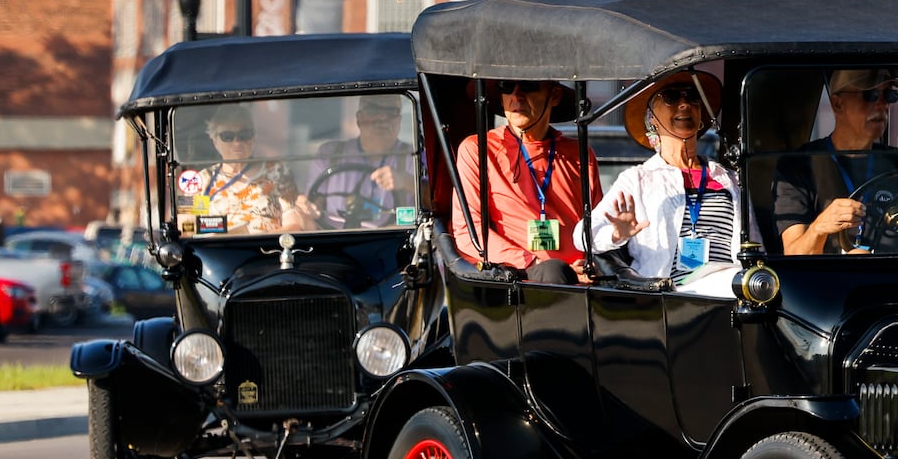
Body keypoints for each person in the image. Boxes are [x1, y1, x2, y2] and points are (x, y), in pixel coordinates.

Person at [771, 69, 898, 255]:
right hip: (835, 283)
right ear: (838, 104)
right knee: (857, 256)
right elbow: (793, 252)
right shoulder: (797, 164)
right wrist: (820, 227)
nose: (882, 105)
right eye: (871, 95)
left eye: (889, 96)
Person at [580, 69, 739, 295]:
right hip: (672, 294)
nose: (684, 104)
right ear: (652, 119)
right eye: (671, 97)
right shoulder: (637, 179)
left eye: (692, 97)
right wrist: (618, 234)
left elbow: (754, 247)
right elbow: (583, 235)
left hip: (731, 287)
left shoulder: (729, 179)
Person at [450, 78, 602, 284]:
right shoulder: (477, 149)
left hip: (580, 280)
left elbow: (597, 226)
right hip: (518, 280)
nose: (516, 96)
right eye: (506, 86)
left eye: (529, 86)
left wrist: (590, 262)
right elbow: (468, 234)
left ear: (554, 96)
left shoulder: (580, 153)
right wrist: (533, 262)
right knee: (554, 271)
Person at [178, 104, 311, 236]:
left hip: (267, 250)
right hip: (218, 252)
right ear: (214, 141)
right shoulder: (202, 179)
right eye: (227, 136)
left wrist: (262, 237)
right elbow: (186, 226)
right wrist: (223, 227)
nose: (237, 143)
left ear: (254, 137)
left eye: (244, 135)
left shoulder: (276, 171)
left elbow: (294, 224)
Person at [305, 93, 415, 227]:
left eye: (391, 112)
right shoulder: (330, 153)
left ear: (399, 121)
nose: (382, 118)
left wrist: (405, 180)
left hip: (392, 240)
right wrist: (306, 206)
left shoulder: (414, 156)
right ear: (359, 119)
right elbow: (313, 202)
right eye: (373, 110)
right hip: (334, 239)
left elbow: (435, 203)